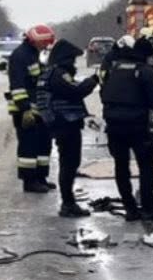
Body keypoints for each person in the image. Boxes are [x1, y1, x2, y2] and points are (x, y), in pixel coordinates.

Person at [99, 34, 153, 221]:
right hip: (137, 126)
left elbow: (104, 94)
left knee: (121, 167)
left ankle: (130, 209)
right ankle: (148, 209)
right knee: (146, 165)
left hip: (114, 126)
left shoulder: (114, 68)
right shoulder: (144, 71)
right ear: (145, 55)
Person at [45, 39, 100, 217]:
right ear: (65, 58)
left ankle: (68, 202)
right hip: (65, 124)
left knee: (69, 163)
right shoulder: (59, 74)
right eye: (72, 59)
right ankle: (68, 204)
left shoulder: (55, 72)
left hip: (64, 123)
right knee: (69, 163)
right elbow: (76, 91)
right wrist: (93, 80)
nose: (74, 63)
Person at [6, 24, 56, 192]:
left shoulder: (32, 54)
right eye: (45, 42)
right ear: (36, 41)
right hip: (25, 111)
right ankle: (29, 181)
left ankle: (41, 177)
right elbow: (17, 86)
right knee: (29, 146)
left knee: (43, 144)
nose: (46, 46)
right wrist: (25, 109)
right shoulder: (20, 56)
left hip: (38, 109)